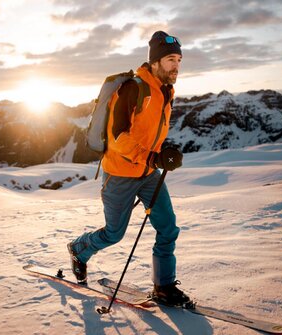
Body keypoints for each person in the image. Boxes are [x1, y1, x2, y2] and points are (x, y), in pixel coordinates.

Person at [67, 31, 190, 306]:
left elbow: (148, 133)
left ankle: (164, 286)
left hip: (148, 175)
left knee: (168, 228)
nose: (176, 66)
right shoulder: (133, 88)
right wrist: (151, 159)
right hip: (120, 174)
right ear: (155, 61)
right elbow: (118, 137)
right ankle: (79, 249)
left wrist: (163, 155)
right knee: (114, 233)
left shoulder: (166, 91)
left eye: (179, 60)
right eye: (171, 59)